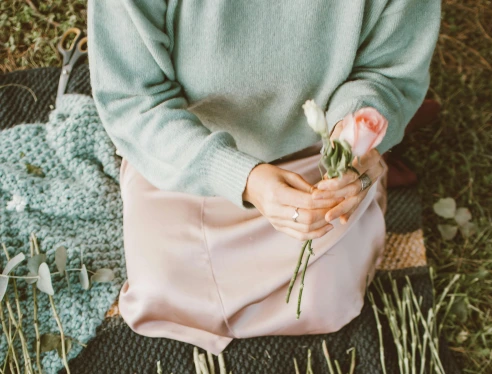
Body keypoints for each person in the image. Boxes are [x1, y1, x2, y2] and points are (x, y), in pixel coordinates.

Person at [88, 0, 441, 355]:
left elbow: (387, 72)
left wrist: (348, 144)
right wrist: (241, 176)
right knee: (164, 292)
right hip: (190, 155)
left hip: (312, 159)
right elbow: (132, 98)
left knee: (325, 300)